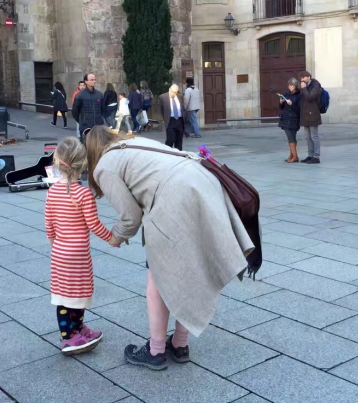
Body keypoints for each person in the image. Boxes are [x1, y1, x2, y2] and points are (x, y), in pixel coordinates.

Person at [84, 127, 253, 370]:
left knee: (158, 275)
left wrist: (116, 237)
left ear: (91, 150)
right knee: (190, 266)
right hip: (203, 183)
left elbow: (130, 216)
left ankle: (155, 351)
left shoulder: (104, 166)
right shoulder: (135, 142)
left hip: (177, 196)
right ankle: (180, 344)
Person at [44, 137, 117, 355]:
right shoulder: (83, 194)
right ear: (83, 164)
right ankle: (69, 338)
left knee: (64, 293)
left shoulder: (51, 191)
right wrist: (112, 238)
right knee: (79, 291)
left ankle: (75, 330)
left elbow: (49, 225)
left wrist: (54, 245)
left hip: (60, 251)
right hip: (78, 253)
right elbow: (94, 224)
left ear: (57, 161)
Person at [72, 73, 105, 140]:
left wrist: (100, 119)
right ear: (86, 82)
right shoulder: (80, 95)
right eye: (91, 80)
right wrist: (81, 121)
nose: (94, 81)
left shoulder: (100, 94)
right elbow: (75, 111)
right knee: (85, 146)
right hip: (85, 127)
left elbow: (103, 109)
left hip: (98, 126)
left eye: (94, 80)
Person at [299, 71, 322, 164]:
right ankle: (310, 155)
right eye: (301, 79)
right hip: (305, 115)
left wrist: (304, 89)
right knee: (307, 137)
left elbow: (310, 97)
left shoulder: (316, 85)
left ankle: (316, 157)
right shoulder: (306, 85)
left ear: (308, 77)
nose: (302, 81)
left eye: (303, 78)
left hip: (313, 115)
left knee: (314, 136)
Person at [278, 78, 302, 163]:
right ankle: (293, 155)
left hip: (294, 119)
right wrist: (281, 102)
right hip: (285, 118)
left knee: (292, 137)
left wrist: (291, 104)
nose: (290, 86)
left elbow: (299, 109)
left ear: (296, 86)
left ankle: (294, 156)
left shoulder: (299, 95)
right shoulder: (286, 94)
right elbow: (281, 108)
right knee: (290, 137)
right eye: (289, 85)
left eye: (292, 85)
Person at [159, 84, 185, 151]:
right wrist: (165, 119)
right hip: (170, 120)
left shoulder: (180, 97)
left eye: (176, 92)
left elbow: (183, 108)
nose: (174, 94)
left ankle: (178, 155)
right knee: (170, 139)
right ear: (169, 90)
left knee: (179, 140)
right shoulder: (163, 97)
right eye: (173, 92)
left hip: (179, 120)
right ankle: (167, 153)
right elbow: (161, 110)